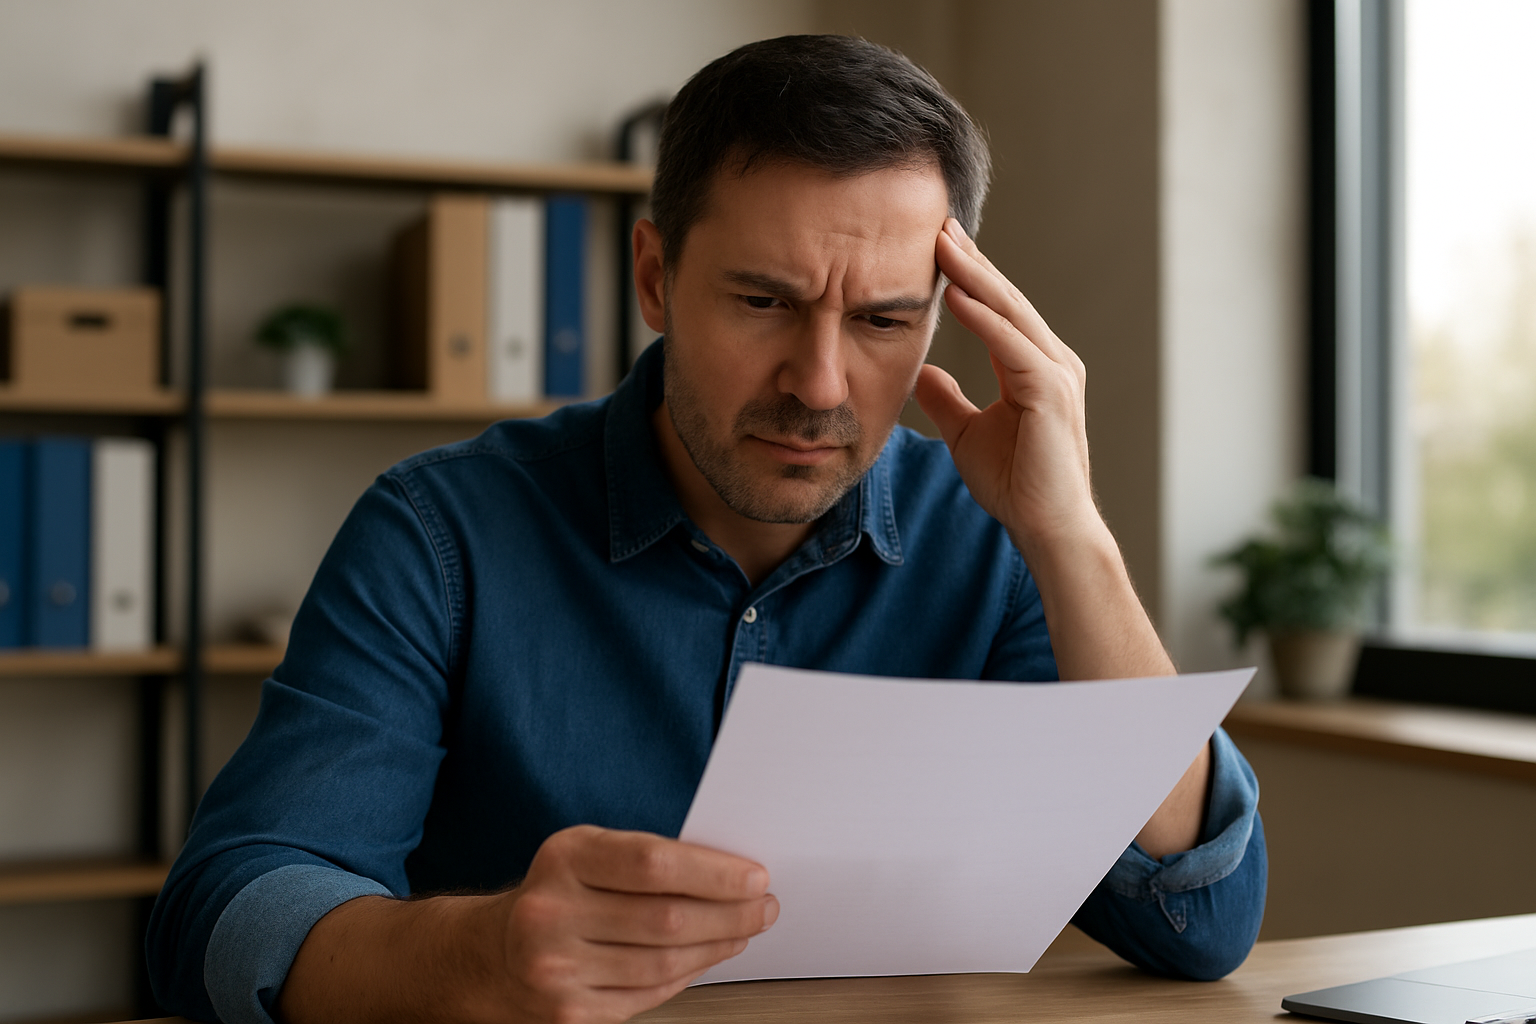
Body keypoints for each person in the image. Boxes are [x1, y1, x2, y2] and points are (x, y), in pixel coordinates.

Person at [148, 34, 1265, 1024]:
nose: (820, 383)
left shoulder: (993, 538)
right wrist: (478, 957)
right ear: (654, 275)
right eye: (765, 302)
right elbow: (225, 916)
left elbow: (1198, 920)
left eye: (883, 319)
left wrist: (1073, 535)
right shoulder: (440, 533)